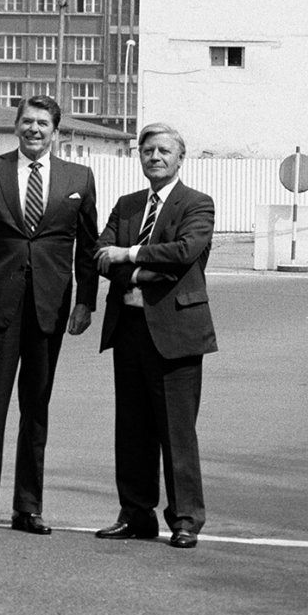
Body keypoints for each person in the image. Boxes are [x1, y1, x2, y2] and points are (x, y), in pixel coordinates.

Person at [0, 95, 98, 536]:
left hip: (49, 308)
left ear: (56, 131)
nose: (34, 129)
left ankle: (28, 507)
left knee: (36, 408)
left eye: (43, 123)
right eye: (27, 121)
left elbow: (87, 248)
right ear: (16, 126)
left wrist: (86, 301)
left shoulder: (79, 178)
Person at [93, 123, 217, 549]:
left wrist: (128, 255)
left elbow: (184, 254)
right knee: (131, 429)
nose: (155, 157)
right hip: (128, 330)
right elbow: (99, 255)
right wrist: (141, 271)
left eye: (164, 150)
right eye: (148, 151)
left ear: (180, 158)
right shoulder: (127, 206)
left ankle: (185, 520)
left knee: (176, 432)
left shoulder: (196, 204)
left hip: (176, 334)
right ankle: (135, 514)